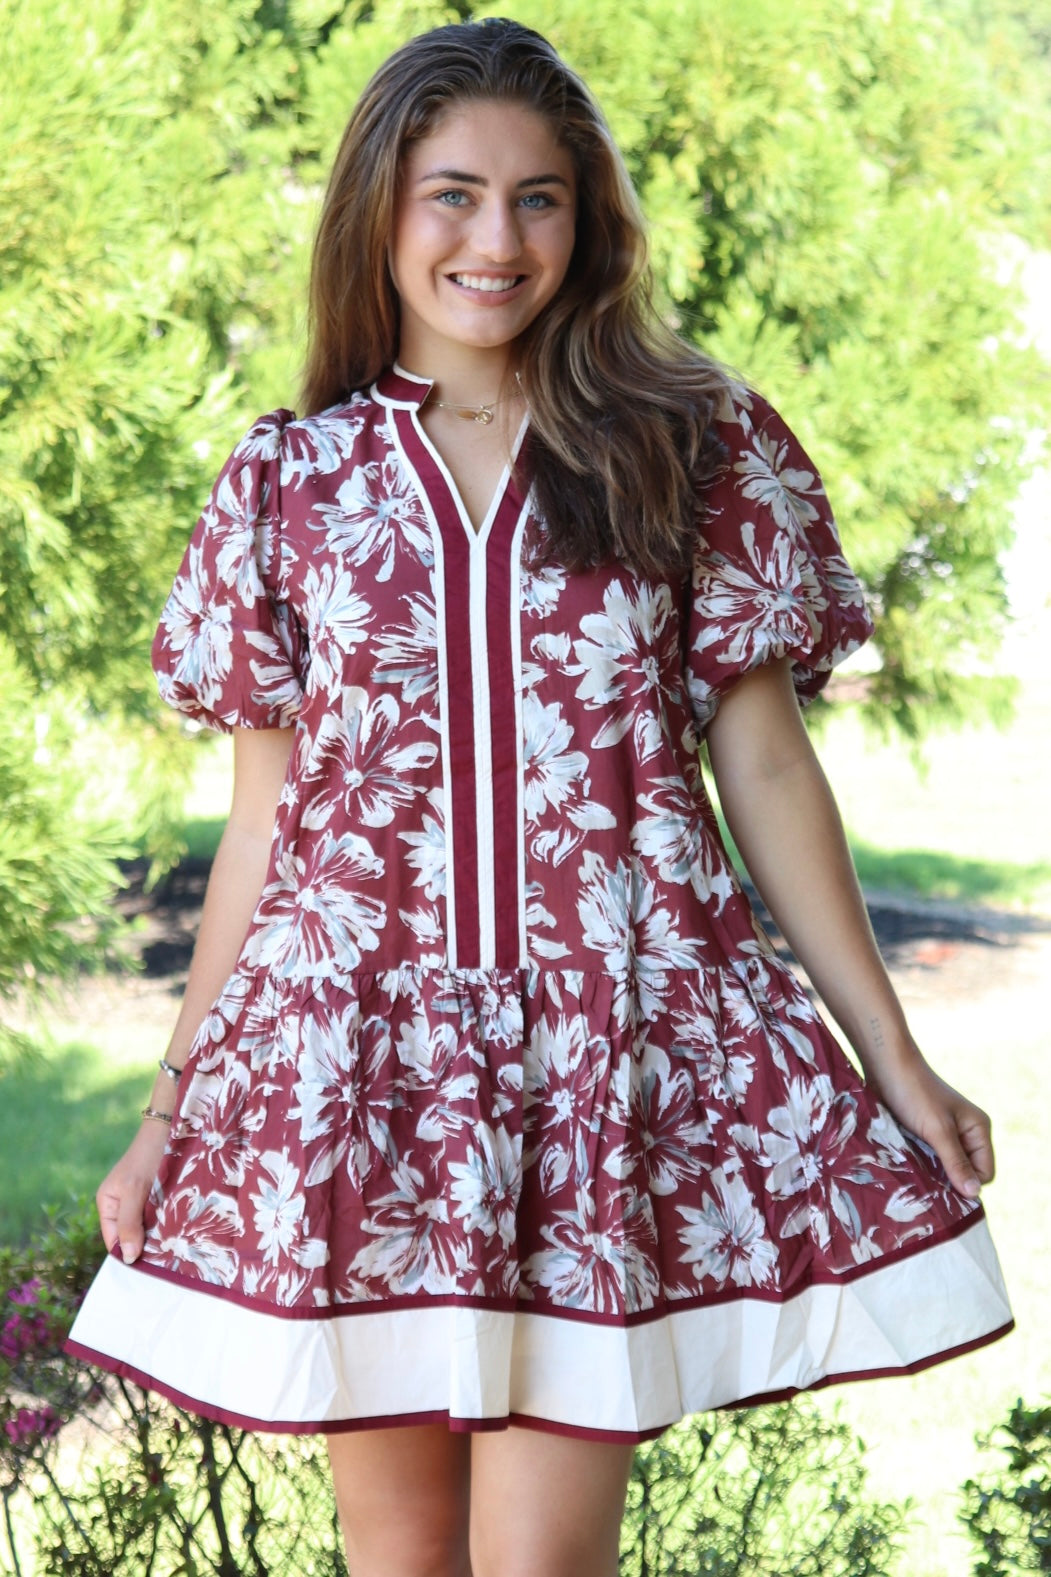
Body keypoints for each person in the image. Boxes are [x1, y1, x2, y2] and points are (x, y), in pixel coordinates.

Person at [67, 18, 1012, 1576]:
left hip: (600, 1067)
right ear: (379, 208)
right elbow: (267, 827)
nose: (495, 239)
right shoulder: (288, 484)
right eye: (452, 194)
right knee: (399, 1562)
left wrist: (891, 1055)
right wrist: (168, 1113)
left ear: (591, 220)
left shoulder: (686, 445)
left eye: (539, 198)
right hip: (357, 1070)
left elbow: (765, 761)